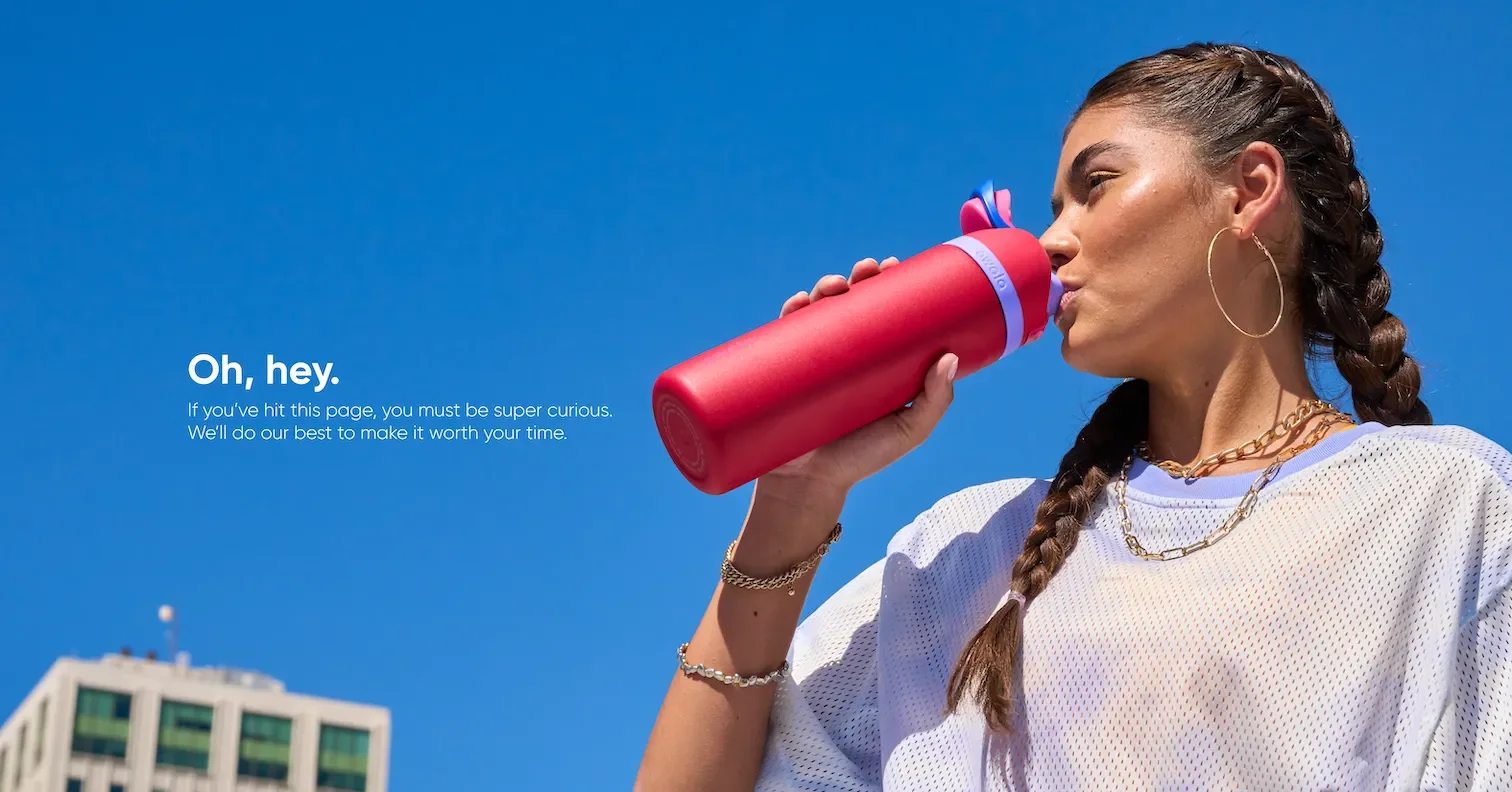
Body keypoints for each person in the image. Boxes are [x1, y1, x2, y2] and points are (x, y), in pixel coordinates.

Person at [635, 42, 1512, 791]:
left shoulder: (1443, 504)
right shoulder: (971, 550)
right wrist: (793, 501)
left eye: (1096, 185)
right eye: (1055, 208)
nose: (1054, 242)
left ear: (1249, 191)